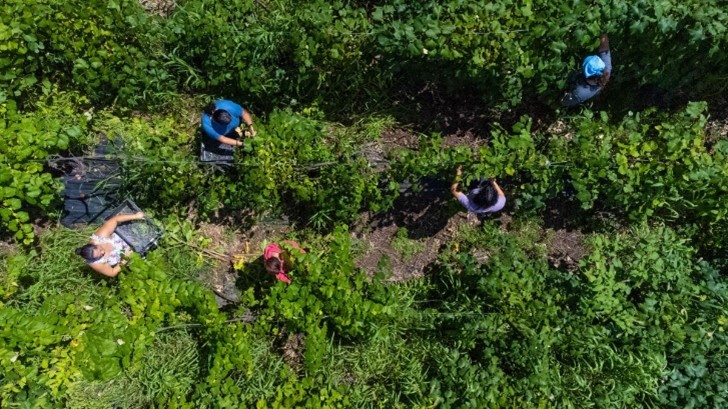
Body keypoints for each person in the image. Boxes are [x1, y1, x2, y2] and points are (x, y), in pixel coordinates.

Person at [75, 212, 145, 277]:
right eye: (100, 256)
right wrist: (125, 259)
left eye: (100, 250)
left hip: (134, 237)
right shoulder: (95, 263)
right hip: (134, 257)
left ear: (94, 244)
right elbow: (112, 272)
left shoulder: (100, 237)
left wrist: (135, 216)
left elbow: (115, 219)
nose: (103, 252)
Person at [561, 33, 612, 107]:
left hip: (574, 91)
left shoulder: (580, 93)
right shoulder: (606, 69)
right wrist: (602, 32)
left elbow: (563, 102)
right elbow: (604, 48)